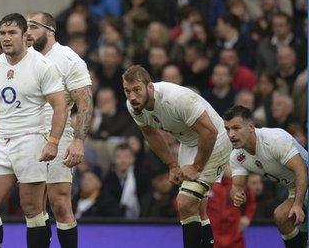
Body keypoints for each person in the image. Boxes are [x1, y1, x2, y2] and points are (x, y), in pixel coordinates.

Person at [0, 13, 67, 248]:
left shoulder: (42, 66)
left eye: (12, 33)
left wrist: (53, 141)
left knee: (31, 207)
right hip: (2, 144)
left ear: (24, 35)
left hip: (31, 141)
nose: (6, 38)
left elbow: (60, 106)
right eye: (3, 33)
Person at [122, 65, 232, 248]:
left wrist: (196, 166)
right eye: (127, 91)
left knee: (185, 202)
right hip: (189, 144)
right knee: (198, 207)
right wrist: (172, 165)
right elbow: (150, 134)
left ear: (150, 87)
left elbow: (210, 132)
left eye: (137, 90)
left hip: (216, 140)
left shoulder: (176, 98)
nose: (132, 96)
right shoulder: (133, 105)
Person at [26, 11, 92, 248]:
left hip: (60, 133)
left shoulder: (68, 59)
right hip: (26, 135)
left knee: (60, 202)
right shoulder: (24, 59)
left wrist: (78, 140)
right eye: (26, 27)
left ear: (50, 31)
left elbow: (85, 103)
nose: (27, 32)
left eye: (33, 26)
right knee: (32, 205)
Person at [224, 105, 308, 248]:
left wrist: (298, 205)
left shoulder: (274, 139)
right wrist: (237, 195)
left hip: (305, 179)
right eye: (227, 129)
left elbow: (302, 170)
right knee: (281, 216)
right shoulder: (237, 156)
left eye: (236, 128)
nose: (231, 134)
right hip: (296, 189)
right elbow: (236, 188)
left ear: (251, 127)